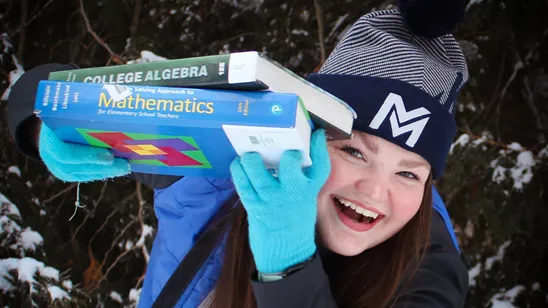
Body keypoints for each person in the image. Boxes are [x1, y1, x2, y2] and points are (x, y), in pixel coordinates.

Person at [7, 1, 470, 307]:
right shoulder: (227, 166)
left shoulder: (429, 270)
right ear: (303, 131)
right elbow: (49, 90)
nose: (375, 191)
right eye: (353, 151)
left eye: (409, 174)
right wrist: (47, 125)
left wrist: (288, 266)